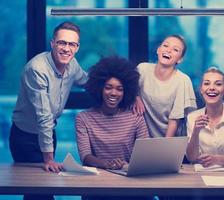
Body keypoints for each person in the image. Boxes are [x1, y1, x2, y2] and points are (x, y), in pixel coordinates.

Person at [9, 21, 87, 176]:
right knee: (35, 188)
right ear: (52, 44)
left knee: (48, 182)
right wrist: (49, 159)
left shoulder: (72, 64)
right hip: (25, 138)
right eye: (62, 43)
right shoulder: (37, 69)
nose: (66, 48)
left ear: (77, 47)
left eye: (72, 44)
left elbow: (88, 81)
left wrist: (125, 93)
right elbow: (44, 117)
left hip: (49, 132)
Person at [76, 56, 149, 200]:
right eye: (108, 87)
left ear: (126, 92)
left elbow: (145, 152)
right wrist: (105, 164)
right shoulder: (83, 118)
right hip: (97, 184)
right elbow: (85, 155)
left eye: (119, 89)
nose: (113, 93)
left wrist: (125, 165)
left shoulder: (135, 117)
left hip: (130, 182)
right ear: (99, 88)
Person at [134, 34, 197, 138]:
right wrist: (135, 97)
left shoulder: (182, 80)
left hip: (169, 140)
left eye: (175, 50)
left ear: (180, 59)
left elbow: (175, 119)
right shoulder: (142, 69)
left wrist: (164, 147)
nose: (168, 50)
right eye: (165, 46)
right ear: (158, 50)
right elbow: (128, 91)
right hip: (141, 138)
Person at [186, 67, 224, 167]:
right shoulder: (192, 117)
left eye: (218, 84)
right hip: (200, 175)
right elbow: (192, 158)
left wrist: (214, 159)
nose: (211, 88)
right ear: (201, 90)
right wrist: (195, 132)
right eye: (207, 83)